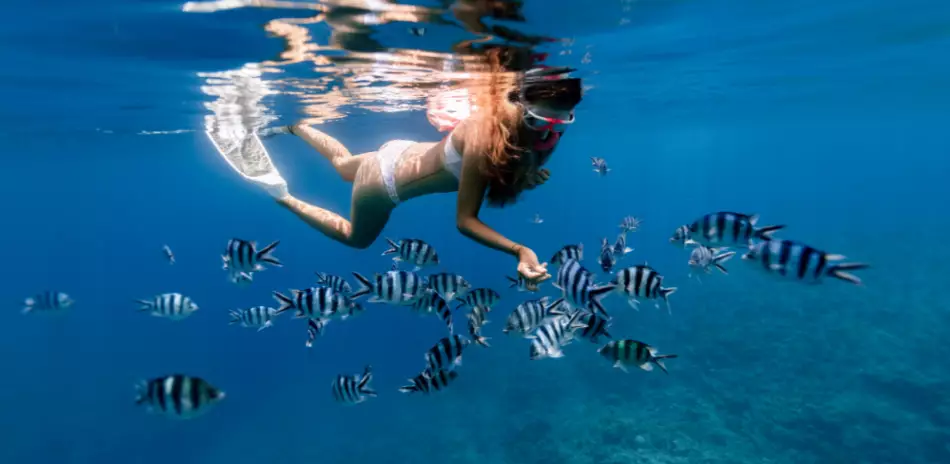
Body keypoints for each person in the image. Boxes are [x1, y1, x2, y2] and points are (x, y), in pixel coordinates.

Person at [253, 55, 582, 286]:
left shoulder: (527, 131)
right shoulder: (485, 135)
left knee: (342, 165)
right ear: (520, 104)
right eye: (539, 121)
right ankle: (282, 196)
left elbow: (505, 164)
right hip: (383, 184)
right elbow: (465, 221)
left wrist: (523, 177)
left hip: (399, 152)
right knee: (355, 239)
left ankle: (297, 127)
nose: (546, 133)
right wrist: (519, 250)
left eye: (560, 123)